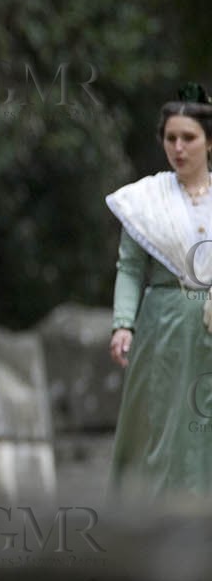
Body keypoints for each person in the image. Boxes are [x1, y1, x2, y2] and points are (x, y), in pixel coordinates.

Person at [105, 83, 212, 500]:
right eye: (171, 138)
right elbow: (130, 268)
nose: (179, 148)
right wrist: (122, 324)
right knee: (164, 428)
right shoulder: (146, 200)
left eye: (189, 138)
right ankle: (160, 528)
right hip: (165, 327)